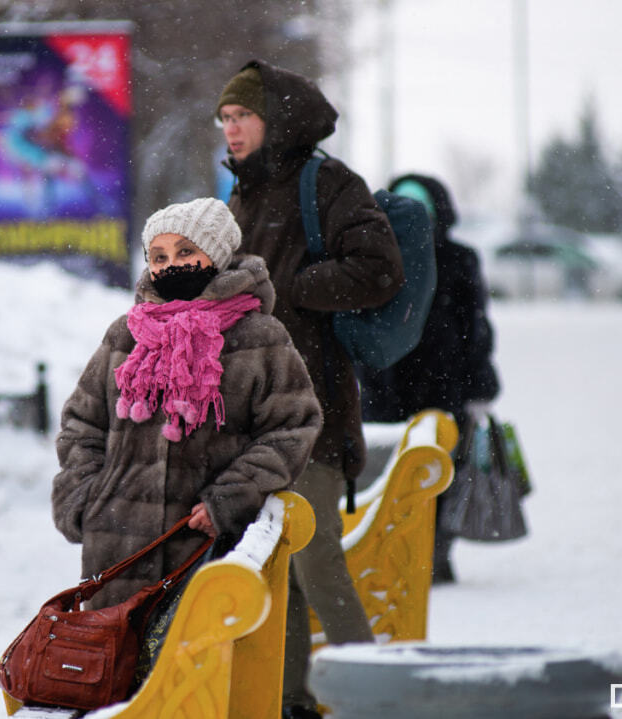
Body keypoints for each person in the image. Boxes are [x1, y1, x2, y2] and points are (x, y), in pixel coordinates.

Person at [217, 60, 405, 719]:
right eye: (225, 119)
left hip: (315, 404)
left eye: (241, 116)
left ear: (275, 119)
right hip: (256, 414)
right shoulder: (243, 195)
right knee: (281, 556)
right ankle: (296, 699)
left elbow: (380, 269)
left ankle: (379, 695)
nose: (230, 129)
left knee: (316, 550)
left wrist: (291, 286)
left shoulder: (325, 181)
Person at [52, 197, 323, 616]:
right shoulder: (127, 334)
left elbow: (292, 427)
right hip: (118, 547)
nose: (170, 265)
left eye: (185, 252)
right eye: (158, 257)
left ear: (214, 255)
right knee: (116, 671)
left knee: (198, 674)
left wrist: (229, 500)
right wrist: (85, 499)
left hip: (207, 547)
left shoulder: (260, 337)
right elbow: (82, 423)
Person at [356, 173, 501, 584]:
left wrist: (479, 385)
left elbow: (476, 326)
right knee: (388, 476)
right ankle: (393, 553)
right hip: (384, 388)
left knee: (439, 472)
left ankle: (434, 553)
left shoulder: (458, 258)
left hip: (443, 388)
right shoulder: (375, 256)